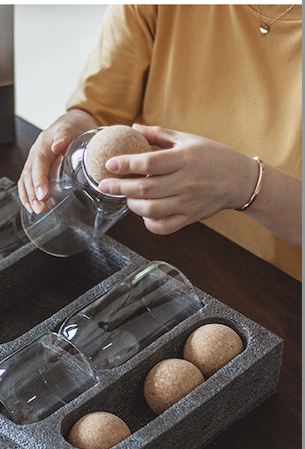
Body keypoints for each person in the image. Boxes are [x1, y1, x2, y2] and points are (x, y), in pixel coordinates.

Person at [18, 5, 302, 280]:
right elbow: (100, 108)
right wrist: (77, 121)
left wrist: (246, 184)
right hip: (155, 249)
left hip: (278, 287)